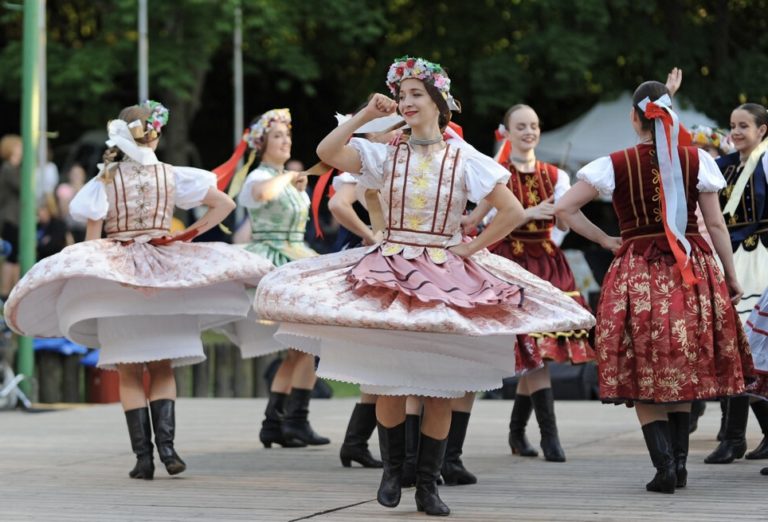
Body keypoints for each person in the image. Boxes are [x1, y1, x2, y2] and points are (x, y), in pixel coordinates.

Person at [255, 56, 594, 516]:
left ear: (438, 101)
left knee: (440, 384)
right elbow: (330, 152)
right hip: (391, 268)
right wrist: (364, 116)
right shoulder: (384, 150)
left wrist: (469, 253)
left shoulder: (463, 156)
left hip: (447, 272)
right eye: (402, 95)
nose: (406, 102)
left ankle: (429, 483)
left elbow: (511, 212)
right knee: (390, 380)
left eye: (416, 94)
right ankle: (394, 469)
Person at [3, 101, 273, 480]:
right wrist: (186, 234)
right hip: (165, 275)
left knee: (129, 372)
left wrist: (87, 280)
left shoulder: (105, 180)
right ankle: (169, 449)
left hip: (120, 280)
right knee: (163, 367)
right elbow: (224, 203)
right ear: (156, 133)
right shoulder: (173, 174)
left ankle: (143, 459)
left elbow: (93, 240)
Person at [554, 81, 753, 493]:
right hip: (691, 271)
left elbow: (564, 208)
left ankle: (665, 466)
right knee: (681, 362)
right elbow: (715, 224)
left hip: (638, 273)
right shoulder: (697, 158)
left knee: (643, 362)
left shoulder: (614, 163)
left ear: (633, 118)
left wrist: (607, 241)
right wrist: (731, 275)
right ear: (670, 114)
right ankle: (678, 466)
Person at [463, 104, 593, 462]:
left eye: (533, 126)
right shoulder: (496, 174)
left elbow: (565, 226)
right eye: (521, 126)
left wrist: (559, 214)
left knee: (537, 351)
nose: (529, 132)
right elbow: (482, 221)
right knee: (531, 353)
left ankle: (521, 433)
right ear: (505, 132)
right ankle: (545, 437)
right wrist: (527, 213)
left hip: (547, 263)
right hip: (508, 264)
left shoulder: (556, 174)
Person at [219, 108, 330, 449]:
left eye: (287, 135)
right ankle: (289, 421)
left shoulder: (287, 178)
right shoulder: (257, 178)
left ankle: (281, 422)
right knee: (304, 344)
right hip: (274, 260)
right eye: (278, 136)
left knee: (304, 346)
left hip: (298, 255)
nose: (285, 141)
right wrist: (289, 178)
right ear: (262, 143)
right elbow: (262, 194)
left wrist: (293, 180)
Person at [704, 103, 768, 464]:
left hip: (762, 259)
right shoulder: (724, 166)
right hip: (733, 260)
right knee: (738, 350)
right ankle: (736, 437)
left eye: (744, 125)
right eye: (733, 125)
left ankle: (734, 438)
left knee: (750, 349)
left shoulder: (767, 161)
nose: (737, 131)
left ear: (763, 130)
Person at [0, 135, 22, 299]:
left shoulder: (13, 169)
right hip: (11, 217)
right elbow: (23, 186)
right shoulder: (9, 168)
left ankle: (13, 290)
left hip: (15, 217)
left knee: (15, 256)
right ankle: (5, 292)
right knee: (11, 256)